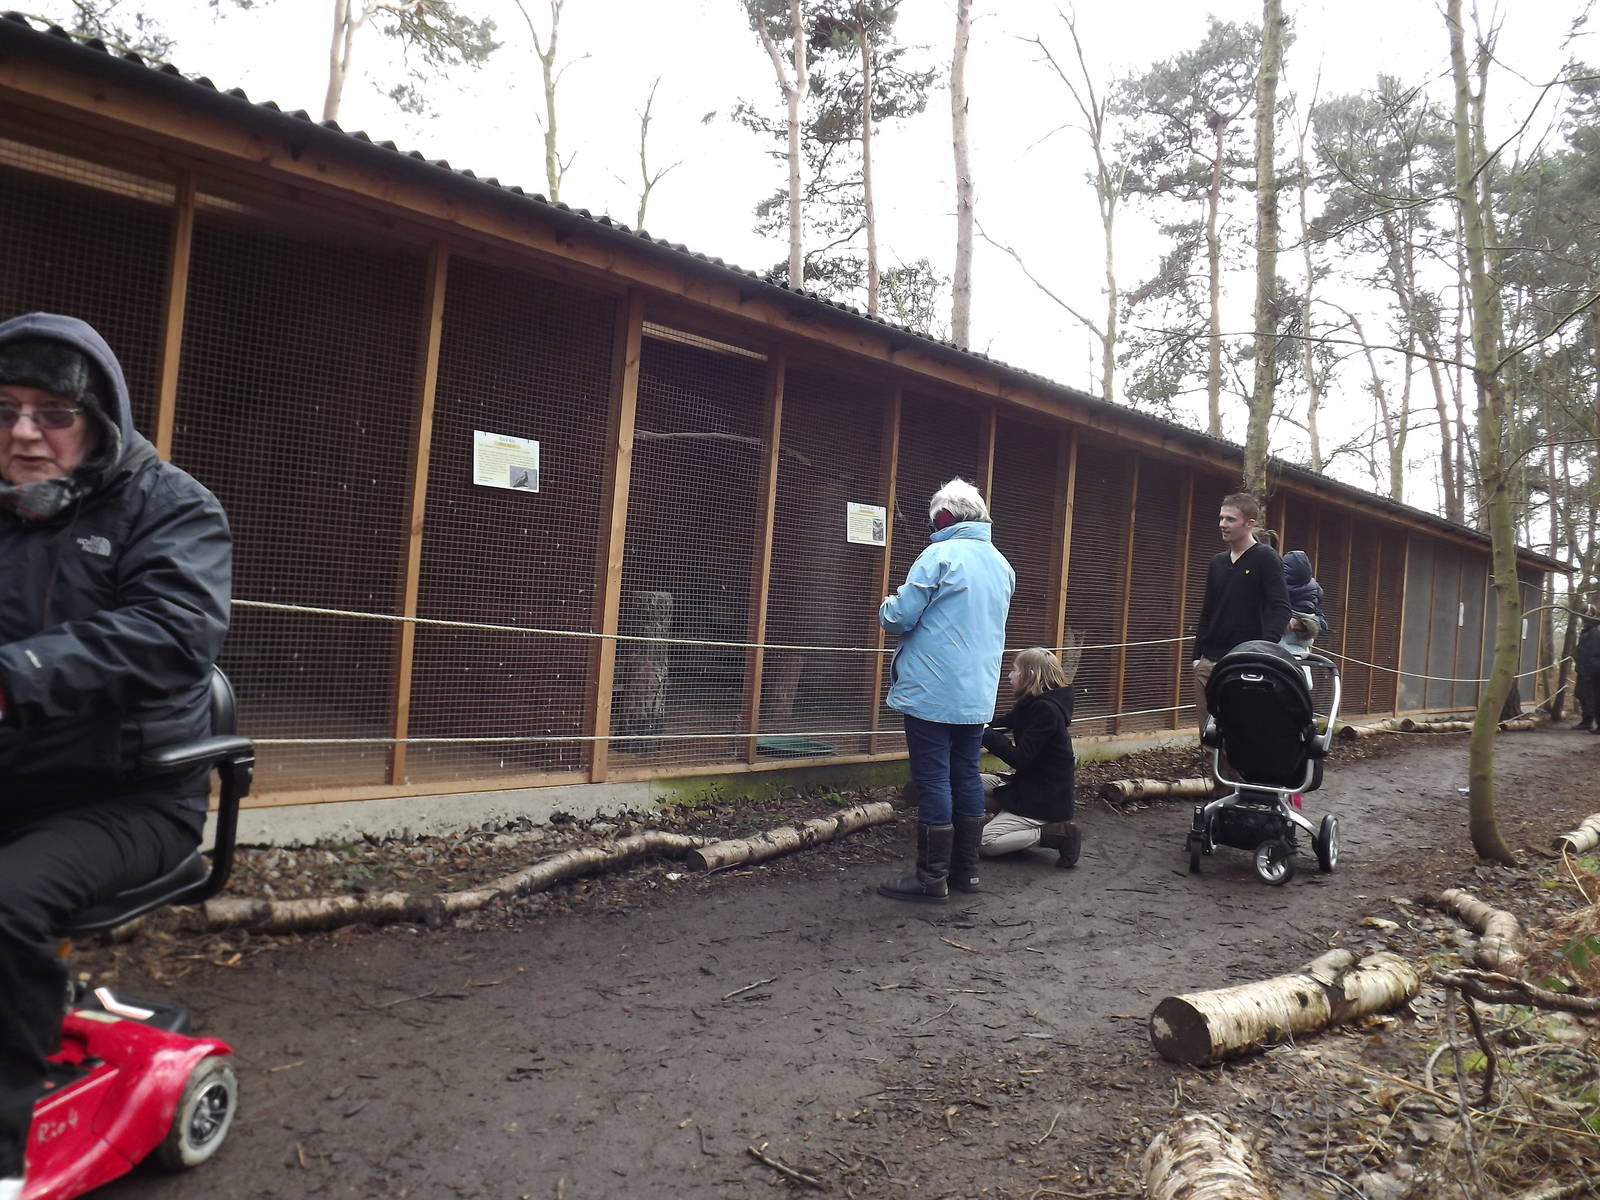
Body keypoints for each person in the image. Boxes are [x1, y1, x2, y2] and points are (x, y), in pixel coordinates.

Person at [0, 313, 232, 1196]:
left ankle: (2, 1156)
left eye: (53, 411)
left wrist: (12, 676)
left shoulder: (171, 505)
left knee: (4, 902)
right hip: (15, 775)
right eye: (7, 408)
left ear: (99, 418)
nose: (25, 432)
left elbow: (172, 633)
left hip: (132, 794)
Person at [877, 478, 1015, 904]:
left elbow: (899, 617)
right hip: (976, 694)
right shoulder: (1001, 564)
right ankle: (965, 873)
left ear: (944, 517)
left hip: (932, 691)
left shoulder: (939, 555)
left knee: (934, 777)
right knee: (966, 773)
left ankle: (930, 878)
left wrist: (886, 603)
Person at [1191, 492, 1292, 739]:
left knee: (1241, 734)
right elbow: (1207, 611)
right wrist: (1196, 656)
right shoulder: (1216, 563)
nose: (1222, 524)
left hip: (1246, 662)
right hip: (1209, 661)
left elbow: (1281, 608)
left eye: (1230, 519)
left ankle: (1243, 777)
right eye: (1221, 518)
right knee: (1210, 736)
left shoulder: (1266, 558)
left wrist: (1263, 650)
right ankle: (1220, 777)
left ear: (1250, 523)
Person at [979, 647, 1080, 867]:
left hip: (1043, 800)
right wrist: (975, 720)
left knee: (986, 841)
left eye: (1014, 670)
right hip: (1028, 787)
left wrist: (984, 733)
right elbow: (1005, 721)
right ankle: (1012, 823)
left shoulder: (1046, 710)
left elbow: (1021, 758)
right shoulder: (1036, 702)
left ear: (1030, 675)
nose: (1009, 675)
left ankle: (1054, 833)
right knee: (966, 784)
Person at [1280, 549, 1331, 657]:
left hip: (1277, 657)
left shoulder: (1279, 588)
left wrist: (1298, 623)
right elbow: (1322, 623)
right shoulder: (1313, 592)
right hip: (1301, 659)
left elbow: (1321, 623)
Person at [1574, 608, 1600, 733]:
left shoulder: (1594, 633)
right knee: (1581, 694)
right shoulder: (1587, 632)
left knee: (1590, 696)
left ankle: (1590, 720)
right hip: (1584, 669)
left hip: (1590, 671)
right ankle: (1587, 719)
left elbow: (1592, 654)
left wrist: (1590, 670)